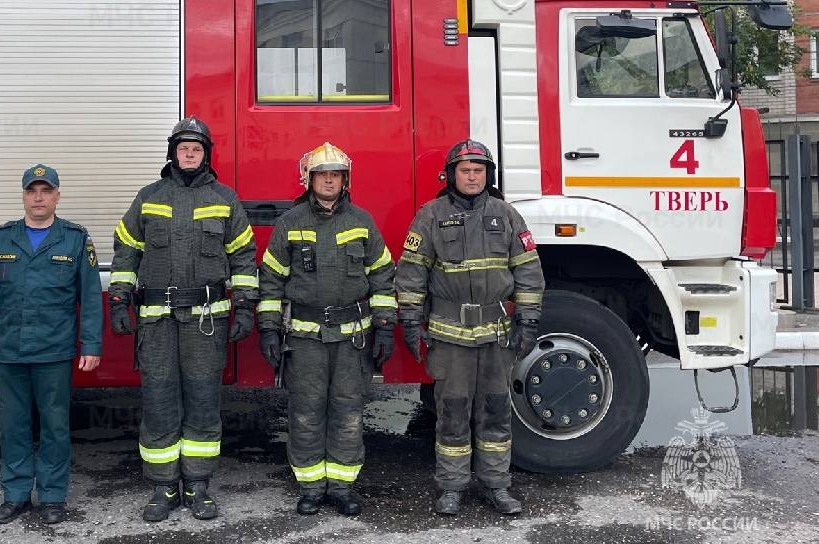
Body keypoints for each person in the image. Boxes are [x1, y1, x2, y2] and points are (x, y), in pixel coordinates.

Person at [109, 117, 258, 522]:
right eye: (183, 148)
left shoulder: (225, 199)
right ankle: (163, 487)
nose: (189, 154)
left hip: (206, 322)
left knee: (203, 401)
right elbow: (126, 251)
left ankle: (198, 484)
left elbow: (244, 258)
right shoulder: (149, 197)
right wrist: (120, 299)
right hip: (156, 322)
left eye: (196, 148)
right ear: (172, 152)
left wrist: (245, 306)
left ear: (206, 154)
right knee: (158, 401)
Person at [395, 140, 545, 516]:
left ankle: (497, 485)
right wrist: (411, 323)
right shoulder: (430, 216)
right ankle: (452, 487)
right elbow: (411, 275)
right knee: (452, 413)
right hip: (449, 337)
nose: (473, 176)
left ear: (488, 175)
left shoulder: (507, 215)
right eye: (466, 170)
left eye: (479, 170)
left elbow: (528, 272)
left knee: (496, 411)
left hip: (497, 336)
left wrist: (527, 321)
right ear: (451, 176)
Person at [256, 142, 396, 517]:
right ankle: (311, 488)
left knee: (348, 413)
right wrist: (269, 328)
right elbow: (270, 281)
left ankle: (342, 486)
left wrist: (384, 327)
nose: (329, 180)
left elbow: (383, 278)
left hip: (353, 339)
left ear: (345, 180)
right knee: (305, 413)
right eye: (322, 174)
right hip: (305, 340)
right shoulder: (291, 223)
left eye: (335, 174)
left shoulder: (362, 223)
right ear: (309, 179)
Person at [0, 164, 104, 526]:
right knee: (12, 425)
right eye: (32, 190)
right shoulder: (1, 239)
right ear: (24, 195)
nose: (38, 197)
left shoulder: (75, 239)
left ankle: (52, 496)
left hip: (54, 350)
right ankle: (15, 495)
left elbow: (90, 298)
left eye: (45, 190)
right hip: (9, 351)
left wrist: (91, 345)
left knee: (55, 425)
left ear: (58, 195)